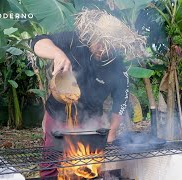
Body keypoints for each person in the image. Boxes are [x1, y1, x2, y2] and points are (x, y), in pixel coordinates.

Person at [30, 9, 147, 178]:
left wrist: (112, 131)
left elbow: (120, 102)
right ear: (90, 35)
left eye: (107, 46)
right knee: (52, 163)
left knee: (87, 166)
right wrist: (58, 54)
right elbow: (37, 42)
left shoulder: (118, 68)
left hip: (90, 125)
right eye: (98, 42)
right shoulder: (74, 41)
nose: (101, 49)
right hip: (57, 114)